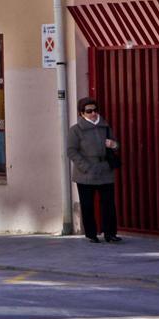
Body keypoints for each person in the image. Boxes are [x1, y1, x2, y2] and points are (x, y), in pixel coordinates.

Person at [67, 96, 121, 243]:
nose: (93, 113)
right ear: (81, 113)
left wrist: (113, 145)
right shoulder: (76, 130)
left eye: (95, 110)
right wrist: (85, 167)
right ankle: (91, 234)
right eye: (88, 111)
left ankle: (110, 233)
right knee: (87, 204)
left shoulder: (105, 127)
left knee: (108, 203)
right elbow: (71, 151)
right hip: (85, 172)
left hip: (104, 169)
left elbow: (117, 145)